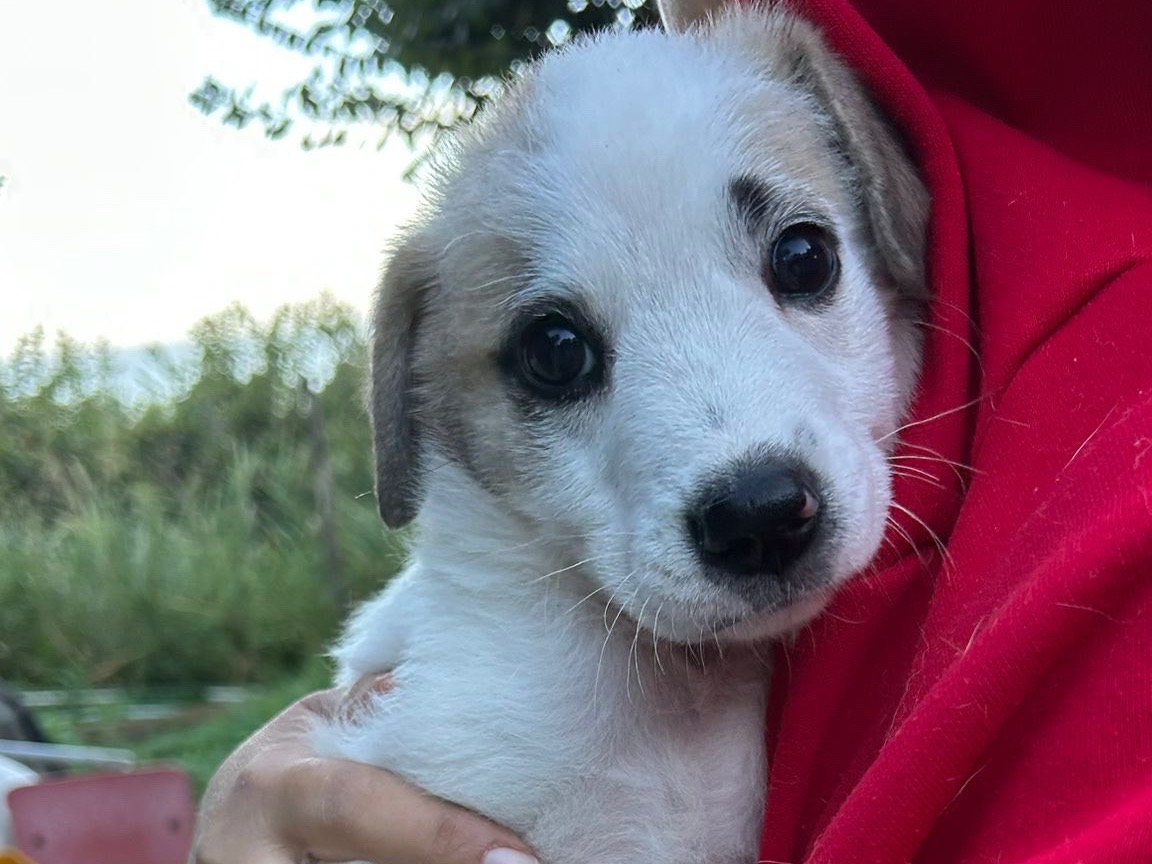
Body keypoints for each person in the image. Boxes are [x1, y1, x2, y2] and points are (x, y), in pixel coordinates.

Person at [191, 0, 1152, 861]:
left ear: (885, 213)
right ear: (422, 409)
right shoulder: (498, 710)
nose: (743, 477)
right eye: (557, 355)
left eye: (799, 261)